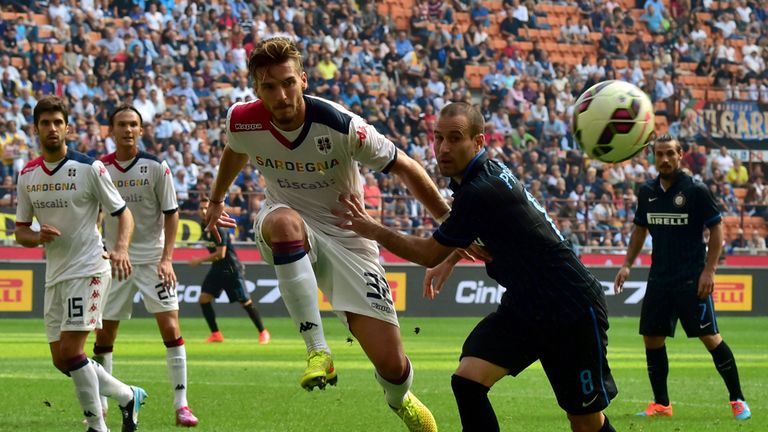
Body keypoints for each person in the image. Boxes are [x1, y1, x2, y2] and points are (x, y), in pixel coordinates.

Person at [203, 37, 446, 430]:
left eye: (287, 83)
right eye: (269, 86)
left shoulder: (342, 125)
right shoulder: (242, 119)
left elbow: (407, 167)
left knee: (392, 365)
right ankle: (317, 351)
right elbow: (236, 149)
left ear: (303, 80)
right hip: (286, 219)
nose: (280, 95)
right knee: (284, 223)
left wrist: (451, 225)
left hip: (349, 234)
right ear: (257, 89)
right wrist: (216, 200)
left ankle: (399, 399)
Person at [337, 102, 617, 432]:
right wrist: (453, 256)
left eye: (455, 138)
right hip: (528, 306)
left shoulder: (480, 190)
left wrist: (373, 229)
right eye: (438, 138)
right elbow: (491, 229)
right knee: (468, 380)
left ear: (479, 141)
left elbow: (428, 253)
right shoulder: (487, 176)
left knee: (585, 423)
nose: (443, 148)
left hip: (570, 309)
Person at [14, 96, 147, 432]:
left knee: (74, 351)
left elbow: (122, 213)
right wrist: (36, 236)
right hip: (55, 274)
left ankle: (95, 425)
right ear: (36, 129)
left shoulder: (90, 168)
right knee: (63, 360)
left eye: (58, 122)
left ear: (68, 128)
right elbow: (20, 231)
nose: (52, 128)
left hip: (89, 268)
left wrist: (120, 248)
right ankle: (128, 395)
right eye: (45, 123)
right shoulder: (28, 175)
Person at [614, 135, 751, 420]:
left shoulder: (696, 190)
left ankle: (738, 399)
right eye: (659, 154)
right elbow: (640, 229)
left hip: (691, 279)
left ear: (681, 156)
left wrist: (709, 270)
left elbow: (717, 230)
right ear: (653, 156)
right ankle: (661, 404)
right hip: (659, 278)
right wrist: (627, 264)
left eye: (669, 154)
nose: (664, 159)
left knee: (710, 337)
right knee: (652, 339)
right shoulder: (647, 191)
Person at [95, 105, 198, 427]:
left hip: (153, 259)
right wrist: (101, 250)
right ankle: (102, 406)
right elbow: (94, 214)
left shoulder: (156, 167)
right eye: (122, 124)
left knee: (171, 328)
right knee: (104, 335)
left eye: (134, 125)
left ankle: (181, 405)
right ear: (111, 130)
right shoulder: (99, 169)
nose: (128, 129)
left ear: (141, 130)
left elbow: (171, 213)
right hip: (115, 261)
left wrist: (168, 258)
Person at [192, 196, 271, 344]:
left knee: (245, 302)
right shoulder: (205, 226)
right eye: (201, 208)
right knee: (203, 299)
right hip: (217, 269)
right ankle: (216, 334)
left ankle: (263, 332)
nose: (203, 211)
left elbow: (221, 254)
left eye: (206, 208)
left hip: (230, 269)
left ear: (211, 209)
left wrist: (199, 260)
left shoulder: (218, 226)